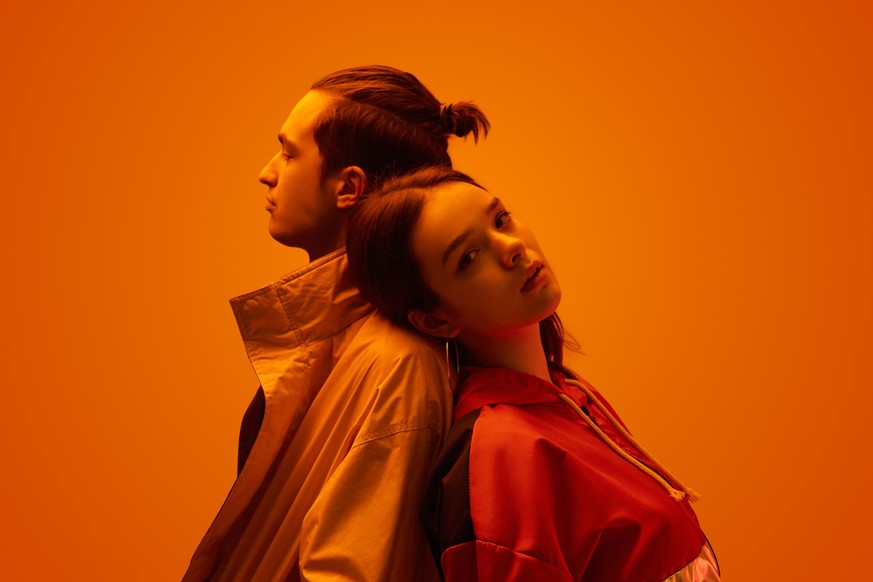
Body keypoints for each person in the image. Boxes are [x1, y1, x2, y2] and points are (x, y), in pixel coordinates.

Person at [183, 66, 490, 582]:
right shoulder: (332, 341)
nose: (267, 171)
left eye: (288, 152)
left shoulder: (400, 365)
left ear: (349, 186)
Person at [347, 166, 721, 581]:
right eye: (468, 258)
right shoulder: (502, 453)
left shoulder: (567, 396)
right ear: (435, 321)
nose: (511, 247)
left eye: (501, 219)